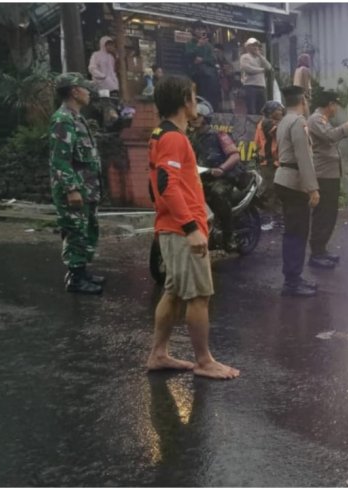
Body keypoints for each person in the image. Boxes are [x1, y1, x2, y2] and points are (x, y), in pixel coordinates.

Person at [146, 75, 239, 380]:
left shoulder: (161, 134)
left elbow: (160, 183)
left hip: (171, 226)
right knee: (199, 296)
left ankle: (158, 354)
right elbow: (166, 183)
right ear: (185, 101)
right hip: (180, 230)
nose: (196, 103)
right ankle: (204, 361)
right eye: (194, 96)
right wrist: (191, 228)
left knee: (173, 292)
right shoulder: (174, 138)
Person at [49, 73, 105, 295]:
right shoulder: (63, 120)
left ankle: (82, 271)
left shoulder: (77, 118)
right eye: (85, 88)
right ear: (74, 91)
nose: (88, 92)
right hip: (75, 190)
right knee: (75, 232)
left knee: (86, 230)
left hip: (87, 189)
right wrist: (71, 189)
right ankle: (75, 278)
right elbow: (60, 159)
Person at [307, 91, 348, 269]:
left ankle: (322, 249)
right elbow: (330, 136)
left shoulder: (323, 119)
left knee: (330, 214)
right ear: (330, 104)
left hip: (331, 174)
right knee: (323, 215)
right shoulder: (316, 119)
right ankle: (316, 253)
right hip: (323, 175)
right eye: (335, 105)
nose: (336, 109)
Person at [274, 86, 320, 297]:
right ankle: (292, 281)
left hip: (283, 179)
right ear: (303, 100)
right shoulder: (298, 122)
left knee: (292, 231)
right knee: (297, 233)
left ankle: (294, 277)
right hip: (294, 183)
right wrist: (313, 189)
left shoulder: (284, 120)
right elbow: (304, 158)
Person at [188, 99, 242, 252]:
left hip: (222, 178)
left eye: (198, 116)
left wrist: (221, 169)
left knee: (217, 194)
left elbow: (234, 156)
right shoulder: (190, 138)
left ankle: (228, 236)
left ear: (206, 118)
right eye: (193, 117)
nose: (194, 119)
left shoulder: (219, 135)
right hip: (201, 178)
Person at [185, 21, 221, 111]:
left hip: (208, 76)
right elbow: (187, 55)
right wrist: (198, 45)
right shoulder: (190, 43)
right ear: (194, 31)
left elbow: (213, 60)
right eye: (198, 29)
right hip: (194, 75)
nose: (200, 31)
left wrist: (203, 60)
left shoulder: (208, 45)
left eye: (202, 29)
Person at [240, 38, 273, 116]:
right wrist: (262, 70)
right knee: (251, 110)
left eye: (256, 46)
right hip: (250, 86)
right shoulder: (245, 57)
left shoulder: (260, 58)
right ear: (247, 47)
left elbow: (269, 67)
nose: (255, 47)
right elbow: (248, 69)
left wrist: (260, 56)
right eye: (253, 45)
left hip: (261, 86)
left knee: (262, 109)